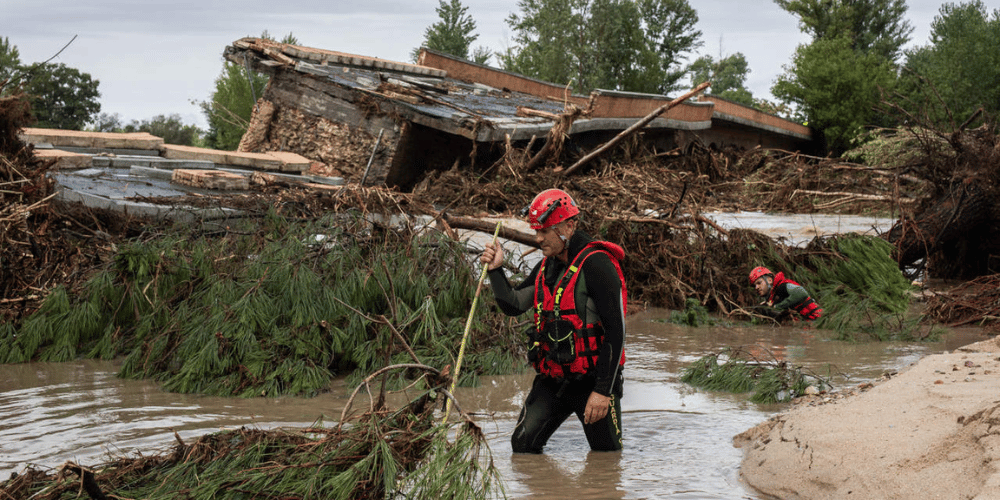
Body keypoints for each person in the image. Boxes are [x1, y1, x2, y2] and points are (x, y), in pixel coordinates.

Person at [480, 188, 627, 453]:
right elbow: (513, 305)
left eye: (544, 231)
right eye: (536, 231)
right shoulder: (547, 265)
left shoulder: (598, 265)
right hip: (554, 380)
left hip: (594, 382)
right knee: (522, 445)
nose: (538, 239)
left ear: (569, 226)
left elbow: (616, 332)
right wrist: (496, 270)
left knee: (606, 460)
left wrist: (603, 391)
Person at [748, 266, 823, 321]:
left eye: (759, 283)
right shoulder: (772, 297)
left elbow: (801, 293)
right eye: (755, 285)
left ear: (770, 280)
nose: (756, 287)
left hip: (818, 318)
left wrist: (777, 306)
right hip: (806, 323)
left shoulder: (783, 286)